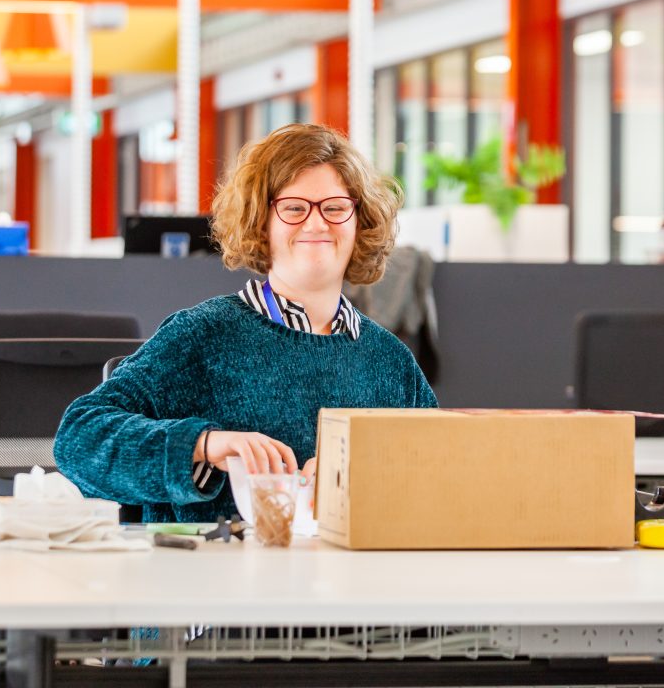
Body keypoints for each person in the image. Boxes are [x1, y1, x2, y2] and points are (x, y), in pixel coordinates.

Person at [54, 123, 437, 522]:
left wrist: (366, 479)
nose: (317, 223)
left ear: (359, 222)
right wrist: (202, 445)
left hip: (349, 576)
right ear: (261, 223)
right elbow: (78, 442)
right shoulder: (201, 336)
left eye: (335, 207)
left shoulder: (390, 360)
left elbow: (436, 475)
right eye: (293, 208)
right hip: (211, 576)